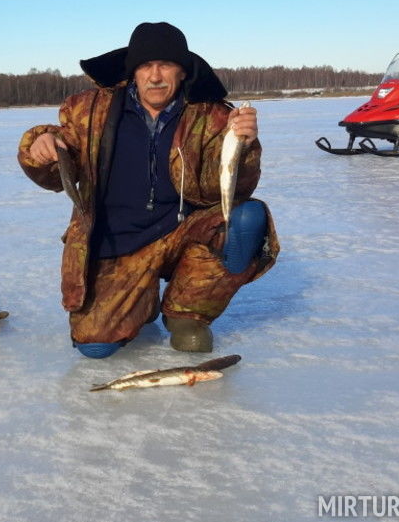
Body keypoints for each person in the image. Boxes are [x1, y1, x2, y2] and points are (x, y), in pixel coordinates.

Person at [17, 22, 279, 358]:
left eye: (165, 65)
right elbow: (58, 161)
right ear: (133, 72)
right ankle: (142, 300)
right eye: (145, 66)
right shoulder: (89, 110)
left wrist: (244, 143)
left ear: (182, 72)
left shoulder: (212, 116)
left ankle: (186, 314)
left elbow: (227, 189)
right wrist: (42, 147)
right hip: (118, 242)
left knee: (246, 218)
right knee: (95, 346)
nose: (155, 76)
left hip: (182, 230)